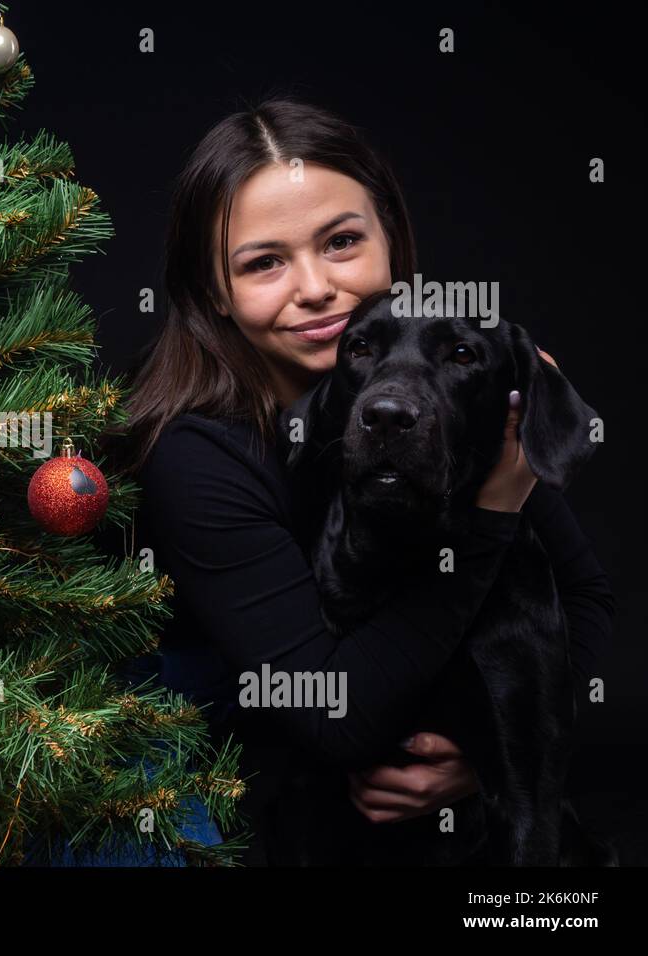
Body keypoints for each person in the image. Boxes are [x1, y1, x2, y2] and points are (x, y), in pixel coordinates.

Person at [119, 98, 615, 865]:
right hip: (214, 760)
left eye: (343, 241)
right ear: (214, 292)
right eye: (264, 262)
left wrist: (486, 751)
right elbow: (333, 716)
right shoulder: (198, 454)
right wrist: (491, 514)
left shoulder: (461, 385)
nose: (316, 288)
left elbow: (583, 599)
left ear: (392, 238)